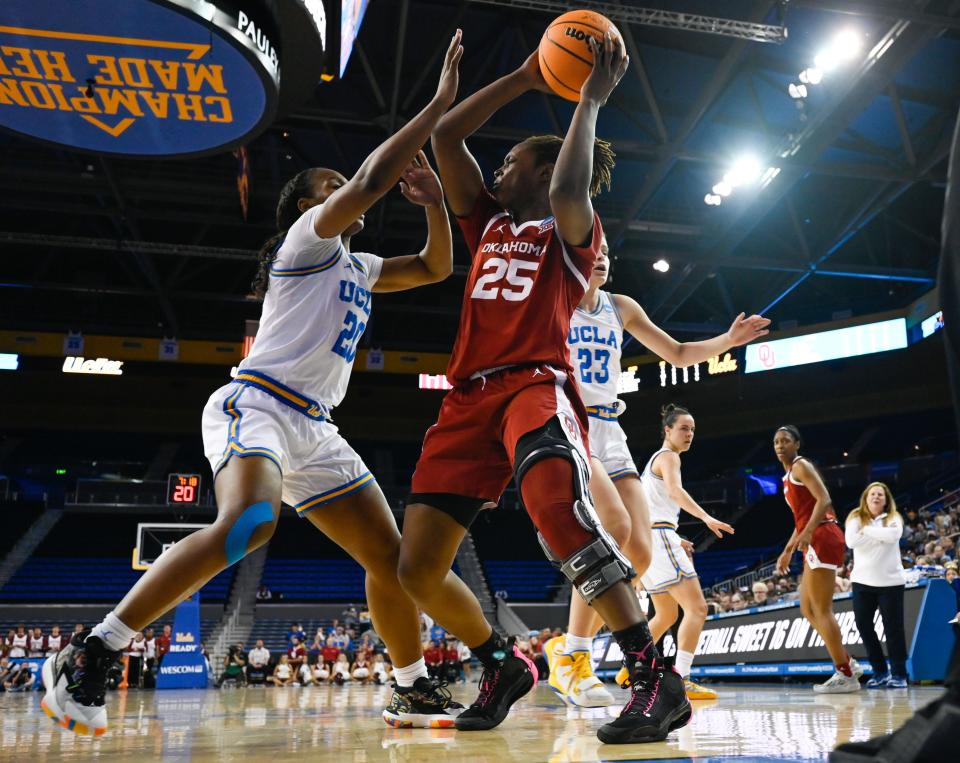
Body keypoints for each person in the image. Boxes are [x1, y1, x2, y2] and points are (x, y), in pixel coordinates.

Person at [42, 30, 466, 737]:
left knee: (393, 563)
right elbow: (367, 181)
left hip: (318, 428)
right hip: (258, 404)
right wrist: (437, 106)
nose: (340, 191)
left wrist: (430, 200)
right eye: (326, 185)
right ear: (304, 205)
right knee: (249, 522)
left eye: (337, 185)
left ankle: (409, 685)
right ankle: (94, 649)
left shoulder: (359, 267)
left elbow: (434, 267)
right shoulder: (307, 241)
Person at [397, 33, 690, 743]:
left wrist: (589, 97)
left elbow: (567, 185)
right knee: (417, 566)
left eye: (510, 160)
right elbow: (446, 132)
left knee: (557, 510)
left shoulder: (570, 234)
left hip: (535, 382)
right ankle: (501, 665)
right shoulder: (485, 222)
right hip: (466, 399)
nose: (497, 167)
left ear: (538, 170)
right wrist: (528, 73)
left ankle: (655, 677)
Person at [546, 253, 767, 706]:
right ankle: (574, 656)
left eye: (608, 251)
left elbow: (679, 353)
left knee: (639, 554)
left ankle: (568, 651)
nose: (602, 257)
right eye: (594, 250)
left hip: (612, 429)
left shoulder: (620, 307)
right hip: (573, 421)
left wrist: (728, 338)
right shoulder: (555, 300)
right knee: (610, 531)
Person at [610, 404, 733, 701]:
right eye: (683, 428)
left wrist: (675, 536)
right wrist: (706, 517)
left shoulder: (656, 460)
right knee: (698, 609)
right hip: (659, 538)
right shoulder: (669, 457)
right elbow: (676, 493)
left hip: (652, 538)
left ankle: (632, 664)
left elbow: (651, 507)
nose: (689, 434)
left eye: (692, 429)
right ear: (667, 430)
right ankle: (683, 678)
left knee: (666, 613)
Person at [774, 425, 862, 693]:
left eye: (785, 441)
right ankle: (847, 661)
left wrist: (809, 532)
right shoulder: (787, 476)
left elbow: (824, 499)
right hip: (813, 535)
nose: (779, 446)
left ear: (797, 444)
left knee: (821, 610)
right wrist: (788, 549)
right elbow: (801, 518)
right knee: (808, 609)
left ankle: (845, 674)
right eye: (776, 442)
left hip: (823, 534)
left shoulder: (801, 466)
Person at [845, 482, 909, 689]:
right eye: (872, 494)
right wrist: (877, 534)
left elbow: (893, 536)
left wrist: (867, 531)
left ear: (886, 499)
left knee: (893, 629)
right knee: (863, 625)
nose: (876, 497)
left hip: (891, 582)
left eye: (880, 494)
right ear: (865, 498)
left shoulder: (893, 517)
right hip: (862, 582)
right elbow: (851, 542)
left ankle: (899, 674)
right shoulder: (855, 517)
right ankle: (880, 671)